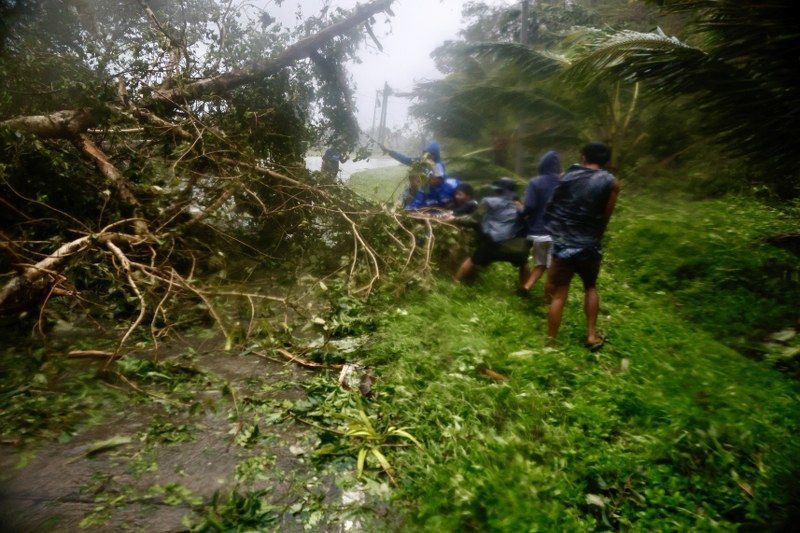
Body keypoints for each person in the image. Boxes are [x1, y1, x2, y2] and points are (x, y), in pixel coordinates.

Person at [544, 142, 620, 350]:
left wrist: (557, 230)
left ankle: (550, 342)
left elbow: (553, 205)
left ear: (584, 156)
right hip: (589, 244)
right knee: (591, 287)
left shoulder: (567, 176)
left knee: (559, 293)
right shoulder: (611, 182)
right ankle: (591, 335)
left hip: (564, 243)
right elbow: (606, 216)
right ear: (605, 161)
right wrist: (595, 236)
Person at [454, 177, 531, 289]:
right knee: (523, 263)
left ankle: (455, 283)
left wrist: (455, 219)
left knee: (472, 259)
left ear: (498, 190)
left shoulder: (488, 201)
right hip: (517, 247)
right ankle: (526, 287)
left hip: (493, 245)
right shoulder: (520, 206)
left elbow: (473, 219)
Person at [521, 151, 562, 294]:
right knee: (553, 271)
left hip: (537, 233)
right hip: (558, 234)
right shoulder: (564, 183)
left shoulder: (535, 182)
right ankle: (549, 303)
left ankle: (526, 287)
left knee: (541, 264)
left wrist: (520, 213)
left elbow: (529, 207)